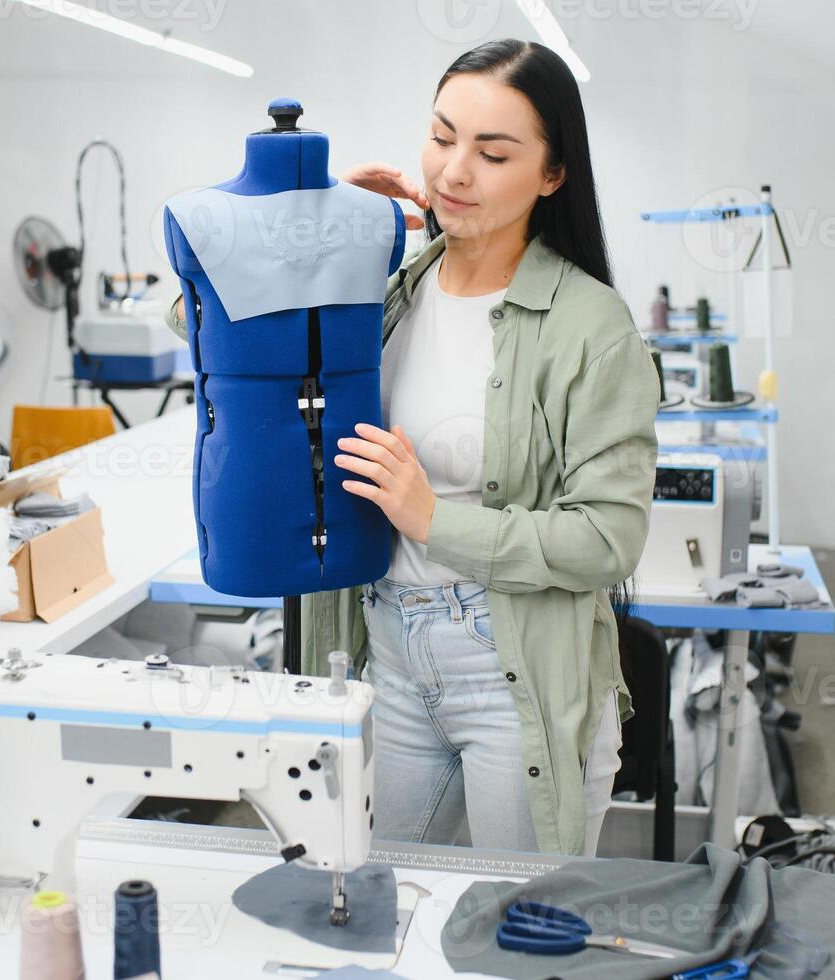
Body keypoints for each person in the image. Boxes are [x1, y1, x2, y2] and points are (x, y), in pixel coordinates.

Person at [170, 39, 659, 857]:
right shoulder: (388, 289)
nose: (452, 172)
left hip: (514, 671)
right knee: (387, 905)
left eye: (491, 152)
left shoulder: (591, 326)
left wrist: (431, 518)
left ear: (551, 175)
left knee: (511, 930)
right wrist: (304, 243)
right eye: (441, 137)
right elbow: (216, 340)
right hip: (389, 656)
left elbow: (607, 540)